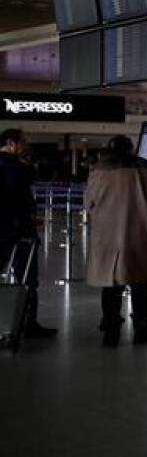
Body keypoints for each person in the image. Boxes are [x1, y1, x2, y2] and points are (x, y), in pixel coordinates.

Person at [84, 136, 147, 347]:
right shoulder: (145, 168)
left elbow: (88, 203)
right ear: (131, 148)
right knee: (140, 283)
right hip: (137, 234)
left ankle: (110, 330)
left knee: (110, 284)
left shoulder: (98, 169)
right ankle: (142, 329)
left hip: (106, 236)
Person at [0, 129, 57, 339]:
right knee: (27, 279)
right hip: (17, 230)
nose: (26, 146)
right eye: (23, 141)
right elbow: (21, 188)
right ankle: (28, 323)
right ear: (11, 143)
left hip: (6, 228)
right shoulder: (13, 166)